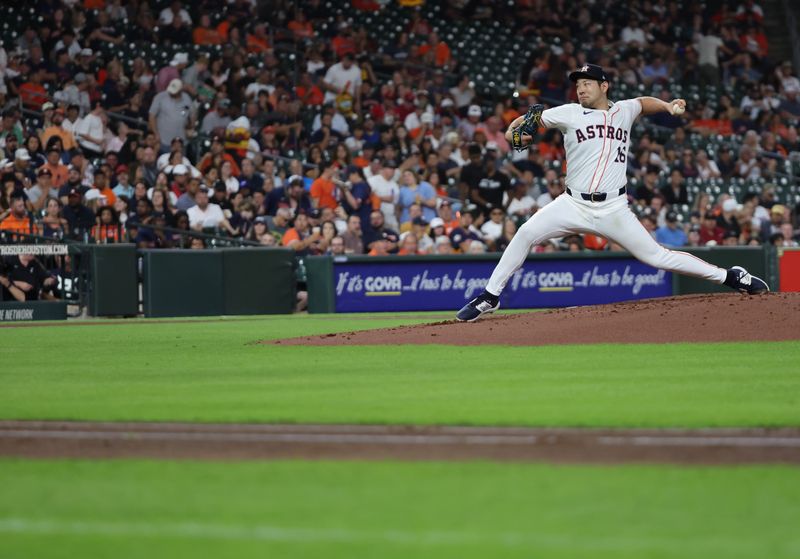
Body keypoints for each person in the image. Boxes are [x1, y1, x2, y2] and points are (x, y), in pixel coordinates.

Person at [457, 63, 769, 322]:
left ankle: (731, 276)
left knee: (657, 256)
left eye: (587, 83)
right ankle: (490, 296)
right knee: (525, 233)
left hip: (613, 208)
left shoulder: (624, 110)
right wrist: (515, 131)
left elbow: (645, 102)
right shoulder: (568, 113)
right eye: (577, 84)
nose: (580, 88)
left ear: (604, 86)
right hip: (572, 203)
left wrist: (668, 106)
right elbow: (524, 123)